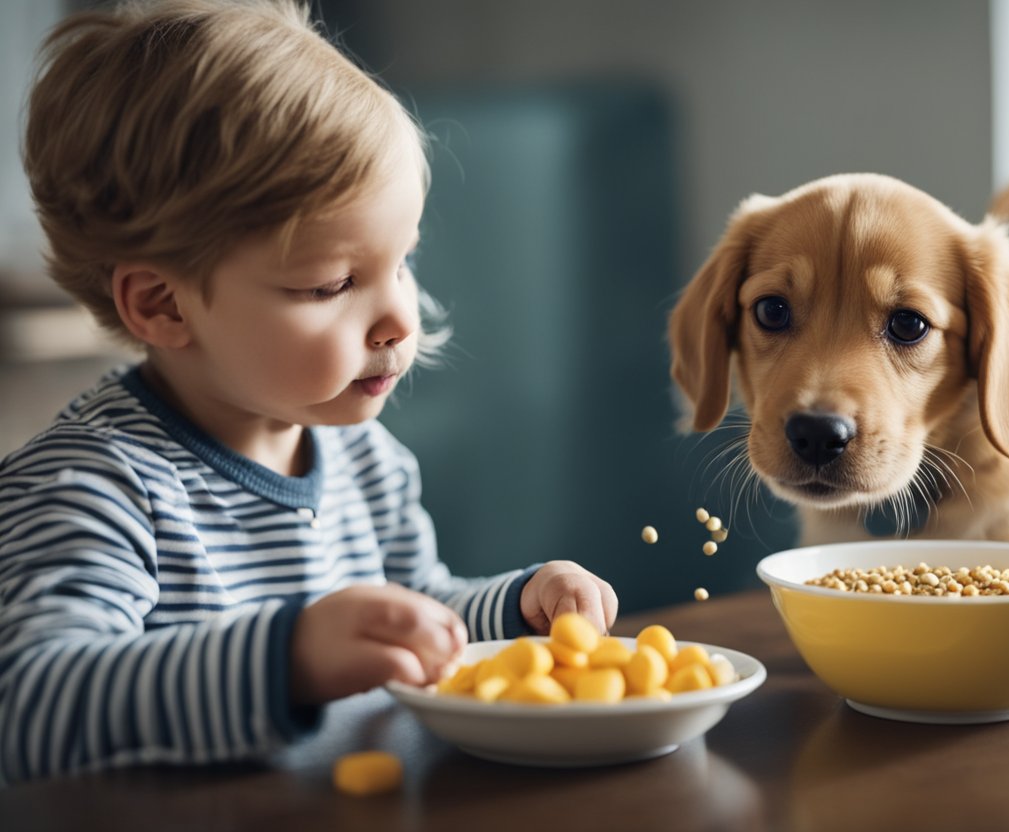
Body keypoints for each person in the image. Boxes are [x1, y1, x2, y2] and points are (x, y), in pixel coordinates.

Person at [0, 0, 617, 784]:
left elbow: (415, 612)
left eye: (403, 262)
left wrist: (519, 607)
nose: (400, 316)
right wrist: (285, 660)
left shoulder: (365, 458)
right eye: (332, 284)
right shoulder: (90, 488)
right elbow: (31, 709)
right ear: (161, 304)